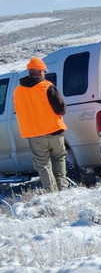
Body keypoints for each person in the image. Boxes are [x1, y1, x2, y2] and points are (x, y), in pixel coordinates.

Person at [13, 57, 68, 191]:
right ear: (39, 72)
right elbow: (61, 108)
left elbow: (18, 111)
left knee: (43, 165)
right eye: (43, 71)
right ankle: (63, 190)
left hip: (35, 135)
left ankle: (51, 191)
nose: (44, 73)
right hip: (55, 131)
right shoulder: (47, 86)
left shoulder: (18, 91)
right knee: (59, 159)